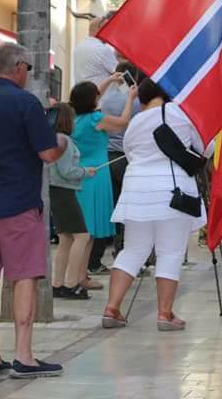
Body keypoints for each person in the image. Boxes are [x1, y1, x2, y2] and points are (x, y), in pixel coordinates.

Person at [0, 42, 67, 378]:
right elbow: (48, 154)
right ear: (19, 67)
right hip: (18, 205)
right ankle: (24, 356)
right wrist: (62, 141)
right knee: (24, 277)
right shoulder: (25, 103)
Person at [101, 79, 210, 330]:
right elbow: (205, 148)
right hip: (173, 192)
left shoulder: (136, 121)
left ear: (143, 97)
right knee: (169, 251)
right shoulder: (182, 113)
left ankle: (112, 308)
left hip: (136, 191)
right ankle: (165, 314)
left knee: (133, 251)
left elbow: (129, 153)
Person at [69, 80, 134, 287]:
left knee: (86, 231)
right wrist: (130, 98)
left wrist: (109, 80)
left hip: (82, 174)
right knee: (87, 233)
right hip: (96, 175)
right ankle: (76, 278)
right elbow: (123, 122)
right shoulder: (96, 119)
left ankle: (81, 275)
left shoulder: (75, 119)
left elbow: (92, 94)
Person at [48, 103, 96, 300]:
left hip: (56, 191)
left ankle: (58, 284)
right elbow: (67, 171)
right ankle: (71, 283)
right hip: (64, 191)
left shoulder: (54, 139)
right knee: (82, 236)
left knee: (66, 238)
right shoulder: (65, 141)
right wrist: (86, 172)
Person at [99, 60, 142, 258]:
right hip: (126, 158)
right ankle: (122, 250)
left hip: (106, 157)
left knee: (111, 206)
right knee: (127, 208)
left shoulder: (106, 98)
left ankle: (97, 255)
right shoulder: (136, 101)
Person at [73, 13, 119, 86]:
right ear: (99, 29)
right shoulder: (103, 49)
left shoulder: (78, 47)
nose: (110, 32)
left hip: (84, 95)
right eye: (108, 29)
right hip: (104, 95)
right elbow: (120, 75)